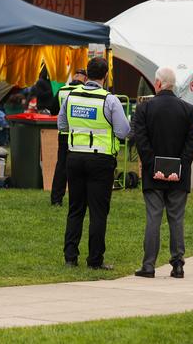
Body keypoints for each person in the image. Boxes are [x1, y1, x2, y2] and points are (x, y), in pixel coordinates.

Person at [58, 57, 130, 270]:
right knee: (98, 212)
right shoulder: (110, 100)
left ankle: (70, 257)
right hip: (101, 160)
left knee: (75, 209)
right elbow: (123, 131)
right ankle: (95, 260)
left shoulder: (70, 96)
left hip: (75, 157)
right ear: (105, 76)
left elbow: (61, 124)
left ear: (86, 74)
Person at [133, 66, 193, 279]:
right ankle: (178, 264)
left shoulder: (144, 109)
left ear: (158, 83)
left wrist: (154, 167)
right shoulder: (188, 110)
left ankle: (149, 265)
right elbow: (191, 143)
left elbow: (141, 142)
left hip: (153, 174)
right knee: (176, 219)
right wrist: (179, 167)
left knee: (153, 218)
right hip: (179, 175)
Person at [49, 69, 88, 206]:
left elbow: (52, 109)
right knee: (79, 167)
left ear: (74, 77)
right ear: (85, 78)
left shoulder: (62, 90)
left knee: (61, 166)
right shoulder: (84, 91)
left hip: (64, 134)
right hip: (79, 134)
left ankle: (56, 199)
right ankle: (77, 199)